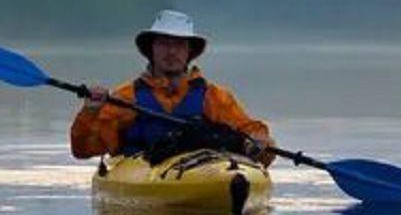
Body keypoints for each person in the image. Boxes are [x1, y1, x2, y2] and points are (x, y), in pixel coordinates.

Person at [70, 9, 275, 165]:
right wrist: (90, 111)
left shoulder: (213, 97)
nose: (171, 51)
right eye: (164, 43)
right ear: (152, 48)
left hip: (202, 173)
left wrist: (261, 143)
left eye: (178, 44)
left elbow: (251, 134)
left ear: (189, 51)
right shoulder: (126, 97)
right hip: (142, 173)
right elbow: (83, 150)